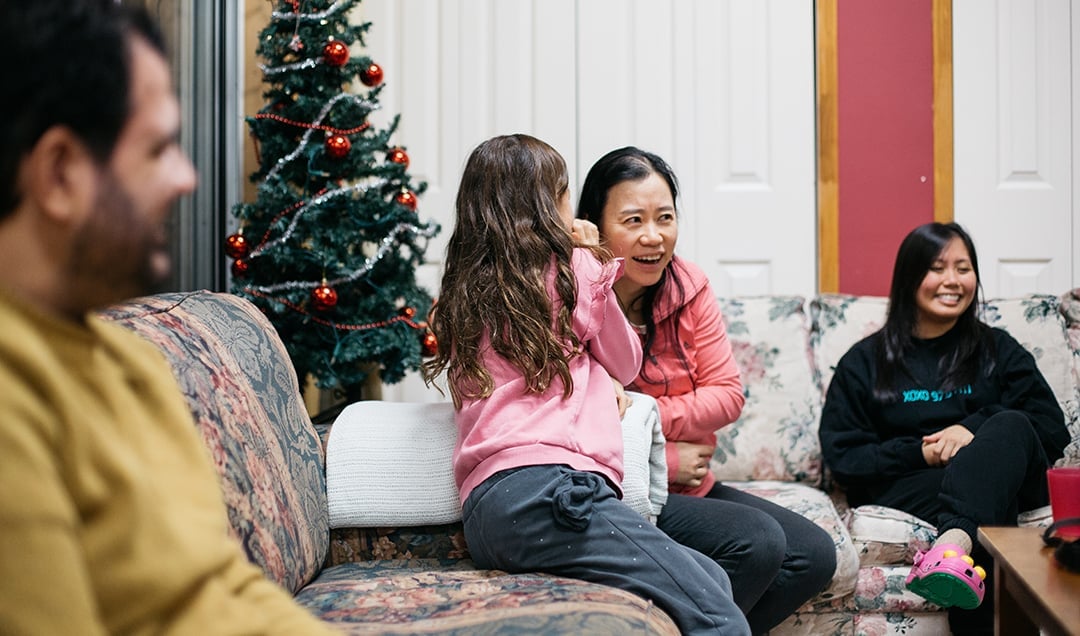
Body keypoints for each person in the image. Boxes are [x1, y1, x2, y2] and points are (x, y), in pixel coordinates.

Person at [0, 2, 335, 633]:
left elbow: (221, 585)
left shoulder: (127, 363)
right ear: (60, 173)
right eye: (158, 149)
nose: (187, 178)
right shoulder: (13, 395)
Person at [422, 134, 751, 635]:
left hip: (487, 513)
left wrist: (586, 369)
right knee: (717, 614)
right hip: (554, 492)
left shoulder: (464, 288)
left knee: (707, 577)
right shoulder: (574, 267)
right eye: (562, 193)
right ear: (544, 206)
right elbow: (624, 360)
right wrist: (591, 255)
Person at [577, 146, 837, 634]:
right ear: (593, 225)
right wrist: (665, 455)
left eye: (665, 217)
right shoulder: (573, 292)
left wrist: (642, 413)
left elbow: (726, 395)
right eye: (632, 220)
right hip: (620, 492)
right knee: (758, 542)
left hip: (691, 488)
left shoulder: (689, 286)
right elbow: (575, 416)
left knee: (813, 556)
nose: (653, 236)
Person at [818, 222, 1070, 634]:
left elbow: (1050, 429)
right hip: (918, 483)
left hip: (1006, 471)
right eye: (937, 267)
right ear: (909, 277)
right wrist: (922, 452)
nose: (952, 280)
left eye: (963, 268)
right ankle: (962, 551)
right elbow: (845, 457)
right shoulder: (865, 362)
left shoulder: (998, 349)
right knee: (990, 501)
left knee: (1008, 424)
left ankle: (951, 548)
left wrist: (972, 430)